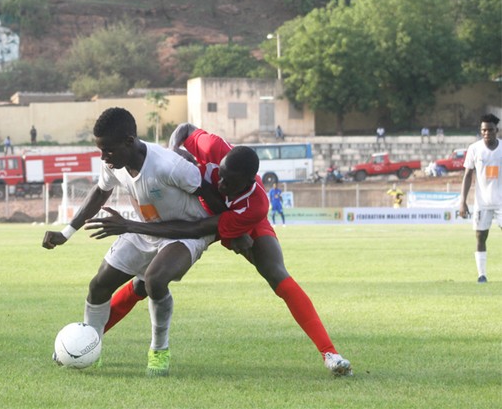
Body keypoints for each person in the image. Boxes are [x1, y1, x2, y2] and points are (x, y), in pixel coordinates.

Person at [86, 123, 353, 376]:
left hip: (226, 221)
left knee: (275, 273)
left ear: (250, 180)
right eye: (220, 177)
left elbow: (198, 229)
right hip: (200, 214)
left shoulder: (255, 205)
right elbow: (185, 129)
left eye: (229, 183)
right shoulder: (215, 146)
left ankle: (330, 354)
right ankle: (87, 344)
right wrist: (174, 150)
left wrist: (237, 235)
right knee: (145, 284)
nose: (221, 185)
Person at [41, 107, 215, 377]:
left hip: (186, 233)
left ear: (129, 142)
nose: (103, 157)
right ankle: (90, 348)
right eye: (100, 150)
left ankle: (159, 350)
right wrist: (66, 232)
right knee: (99, 286)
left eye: (108, 150)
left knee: (155, 281)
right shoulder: (113, 161)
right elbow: (101, 191)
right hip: (144, 229)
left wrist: (232, 231)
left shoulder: (169, 166)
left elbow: (212, 206)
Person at [459, 114, 502, 284]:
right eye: (483, 130)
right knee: (480, 237)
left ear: (496, 130)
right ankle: (481, 275)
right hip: (482, 202)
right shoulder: (474, 149)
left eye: (490, 130)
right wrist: (462, 200)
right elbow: (468, 175)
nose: (486, 133)